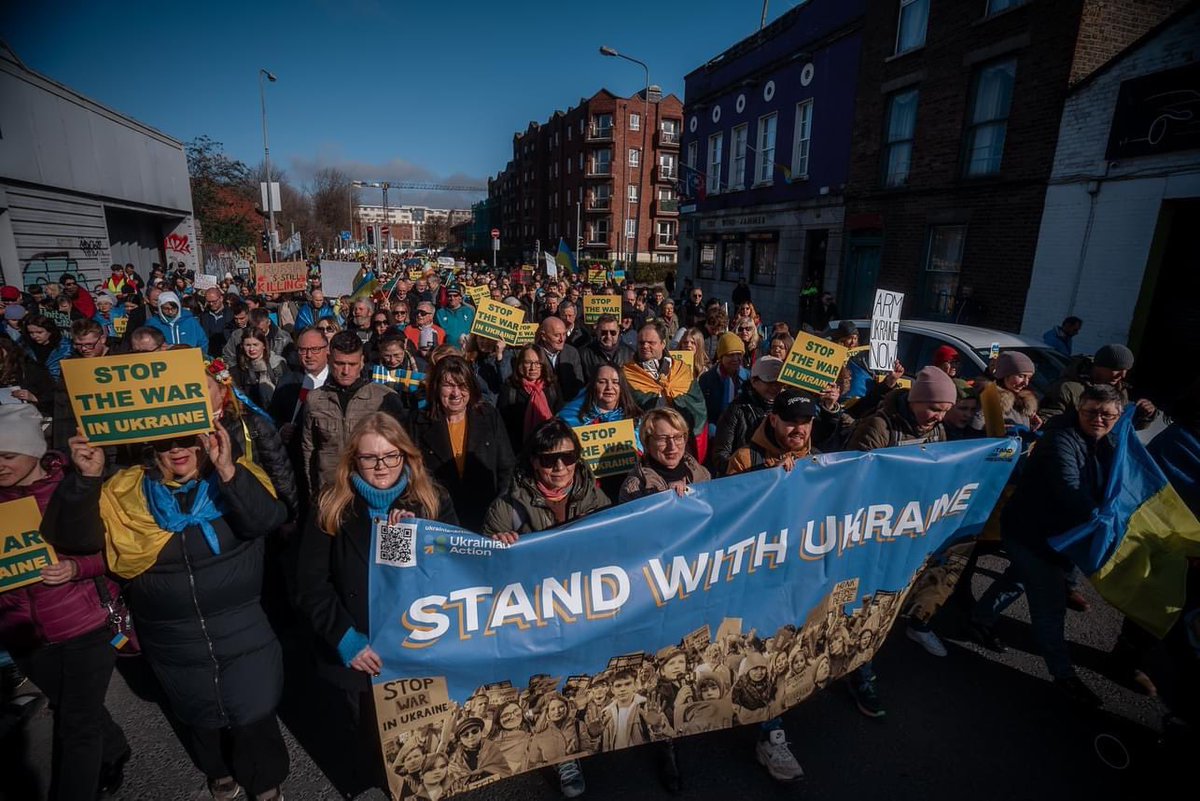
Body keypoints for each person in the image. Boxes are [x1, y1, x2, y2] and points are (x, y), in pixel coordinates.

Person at [50, 424, 289, 801]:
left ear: (206, 440)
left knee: (254, 713)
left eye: (188, 441)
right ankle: (217, 769)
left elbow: (267, 520)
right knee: (197, 712)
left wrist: (228, 471)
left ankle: (264, 780)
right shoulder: (125, 492)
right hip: (172, 636)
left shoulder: (234, 476)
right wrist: (87, 479)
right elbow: (76, 541)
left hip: (242, 627)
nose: (177, 450)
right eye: (165, 443)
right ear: (152, 448)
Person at [297, 412, 457, 794]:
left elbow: (456, 568)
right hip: (361, 653)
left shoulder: (430, 500)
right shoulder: (331, 505)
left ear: (406, 456)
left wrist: (418, 534)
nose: (381, 466)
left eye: (390, 456)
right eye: (370, 458)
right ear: (354, 460)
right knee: (371, 747)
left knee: (426, 744)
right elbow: (309, 584)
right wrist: (345, 639)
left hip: (419, 650)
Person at [0, 405, 130, 799]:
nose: (0, 466)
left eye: (7, 455)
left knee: (75, 725)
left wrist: (76, 568)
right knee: (72, 705)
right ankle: (116, 748)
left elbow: (117, 554)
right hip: (23, 633)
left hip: (85, 627)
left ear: (34, 450)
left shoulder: (72, 489)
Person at [973, 385, 1125, 708]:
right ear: (1078, 410)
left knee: (1017, 579)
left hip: (1063, 537)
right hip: (1032, 533)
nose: (1098, 419)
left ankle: (979, 619)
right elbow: (1069, 489)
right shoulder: (1060, 439)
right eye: (1090, 412)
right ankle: (1064, 675)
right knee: (1050, 606)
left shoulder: (1110, 441)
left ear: (1118, 416)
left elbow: (1127, 452)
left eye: (1107, 414)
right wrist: (1101, 520)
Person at [843, 366, 955, 714]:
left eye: (944, 412)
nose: (937, 416)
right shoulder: (878, 428)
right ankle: (860, 673)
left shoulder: (937, 432)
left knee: (881, 606)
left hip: (905, 536)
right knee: (860, 607)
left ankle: (860, 663)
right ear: (915, 399)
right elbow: (851, 479)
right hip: (867, 536)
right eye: (933, 408)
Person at [409, 355, 515, 531]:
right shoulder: (417, 421)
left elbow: (507, 467)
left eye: (461, 385)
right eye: (448, 385)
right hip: (438, 520)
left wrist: (501, 513)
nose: (456, 393)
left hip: (485, 519)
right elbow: (411, 474)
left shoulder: (488, 416)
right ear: (436, 387)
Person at [300, 331, 406, 498]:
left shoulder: (384, 398)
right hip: (330, 492)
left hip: (373, 494)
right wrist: (313, 495)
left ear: (362, 361)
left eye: (352, 364)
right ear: (329, 360)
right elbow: (309, 451)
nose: (345, 371)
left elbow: (402, 452)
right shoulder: (314, 400)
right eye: (339, 364)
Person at [623, 322, 708, 457]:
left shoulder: (682, 370)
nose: (645, 346)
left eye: (651, 342)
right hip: (647, 445)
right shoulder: (626, 374)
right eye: (641, 343)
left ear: (663, 344)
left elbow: (697, 405)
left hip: (681, 442)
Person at [1041, 343, 1158, 430]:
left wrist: (1144, 415)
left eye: (1126, 370)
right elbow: (1049, 419)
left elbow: (1123, 426)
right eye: (1116, 369)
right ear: (1099, 366)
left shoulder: (1120, 390)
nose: (1122, 375)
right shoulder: (1069, 388)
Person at [711, 356, 786, 474]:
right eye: (769, 382)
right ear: (754, 381)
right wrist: (748, 467)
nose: (775, 387)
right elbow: (720, 456)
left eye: (779, 382)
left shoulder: (787, 408)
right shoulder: (736, 410)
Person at [619, 407, 709, 502]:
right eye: (662, 439)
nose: (672, 447)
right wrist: (665, 497)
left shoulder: (702, 474)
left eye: (678, 437)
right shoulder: (634, 488)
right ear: (647, 442)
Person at [726, 389, 820, 474]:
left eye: (806, 422)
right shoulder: (744, 459)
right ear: (773, 420)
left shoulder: (819, 460)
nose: (799, 429)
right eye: (792, 422)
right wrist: (770, 476)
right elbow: (731, 492)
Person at [497, 345, 562, 452]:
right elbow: (502, 424)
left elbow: (560, 416)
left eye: (537, 363)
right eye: (528, 362)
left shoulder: (552, 386)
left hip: (550, 448)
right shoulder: (510, 388)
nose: (533, 368)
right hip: (519, 451)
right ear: (520, 364)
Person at [698, 333, 748, 432]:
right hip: (714, 431)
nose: (735, 359)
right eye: (730, 355)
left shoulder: (748, 378)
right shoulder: (707, 379)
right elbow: (701, 410)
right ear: (721, 357)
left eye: (739, 354)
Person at [229, 328, 287, 412]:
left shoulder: (278, 364)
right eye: (248, 345)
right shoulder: (238, 371)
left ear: (263, 345)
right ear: (242, 346)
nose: (251, 349)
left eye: (255, 344)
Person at [537, 316, 585, 402]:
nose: (562, 339)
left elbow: (579, 384)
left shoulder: (571, 352)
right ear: (543, 336)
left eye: (564, 334)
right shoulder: (534, 354)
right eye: (557, 335)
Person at [579, 314, 634, 385]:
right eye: (604, 332)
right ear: (597, 331)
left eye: (612, 332)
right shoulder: (584, 354)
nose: (608, 336)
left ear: (618, 332)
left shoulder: (630, 354)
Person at [20, 313, 72, 381]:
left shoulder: (65, 348)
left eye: (39, 332)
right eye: (31, 333)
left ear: (50, 331)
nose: (34, 336)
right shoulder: (26, 347)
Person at [198, 288, 231, 357]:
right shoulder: (204, 316)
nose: (211, 304)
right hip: (209, 354)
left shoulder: (231, 314)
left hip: (228, 354)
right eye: (209, 302)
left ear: (221, 298)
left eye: (214, 301)